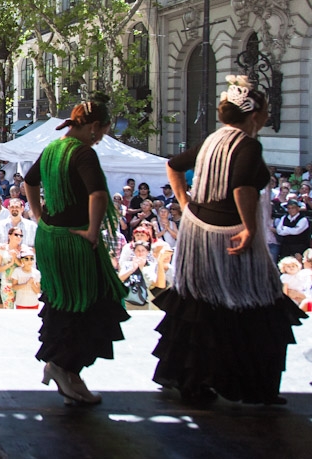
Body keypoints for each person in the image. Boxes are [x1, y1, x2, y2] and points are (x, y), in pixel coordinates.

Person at [153, 76, 304, 405]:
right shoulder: (247, 145)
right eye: (265, 111)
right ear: (255, 115)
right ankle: (251, 383)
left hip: (198, 230)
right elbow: (242, 187)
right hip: (230, 234)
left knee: (202, 303)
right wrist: (250, 227)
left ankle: (195, 381)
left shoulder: (212, 141)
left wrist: (185, 203)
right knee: (257, 302)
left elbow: (173, 166)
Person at [23, 94, 129, 406]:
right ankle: (62, 366)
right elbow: (98, 195)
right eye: (104, 131)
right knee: (87, 306)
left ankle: (68, 371)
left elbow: (29, 181)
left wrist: (39, 216)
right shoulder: (82, 152)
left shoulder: (52, 149)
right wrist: (93, 230)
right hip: (74, 241)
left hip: (51, 238)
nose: (101, 138)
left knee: (64, 304)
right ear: (94, 126)